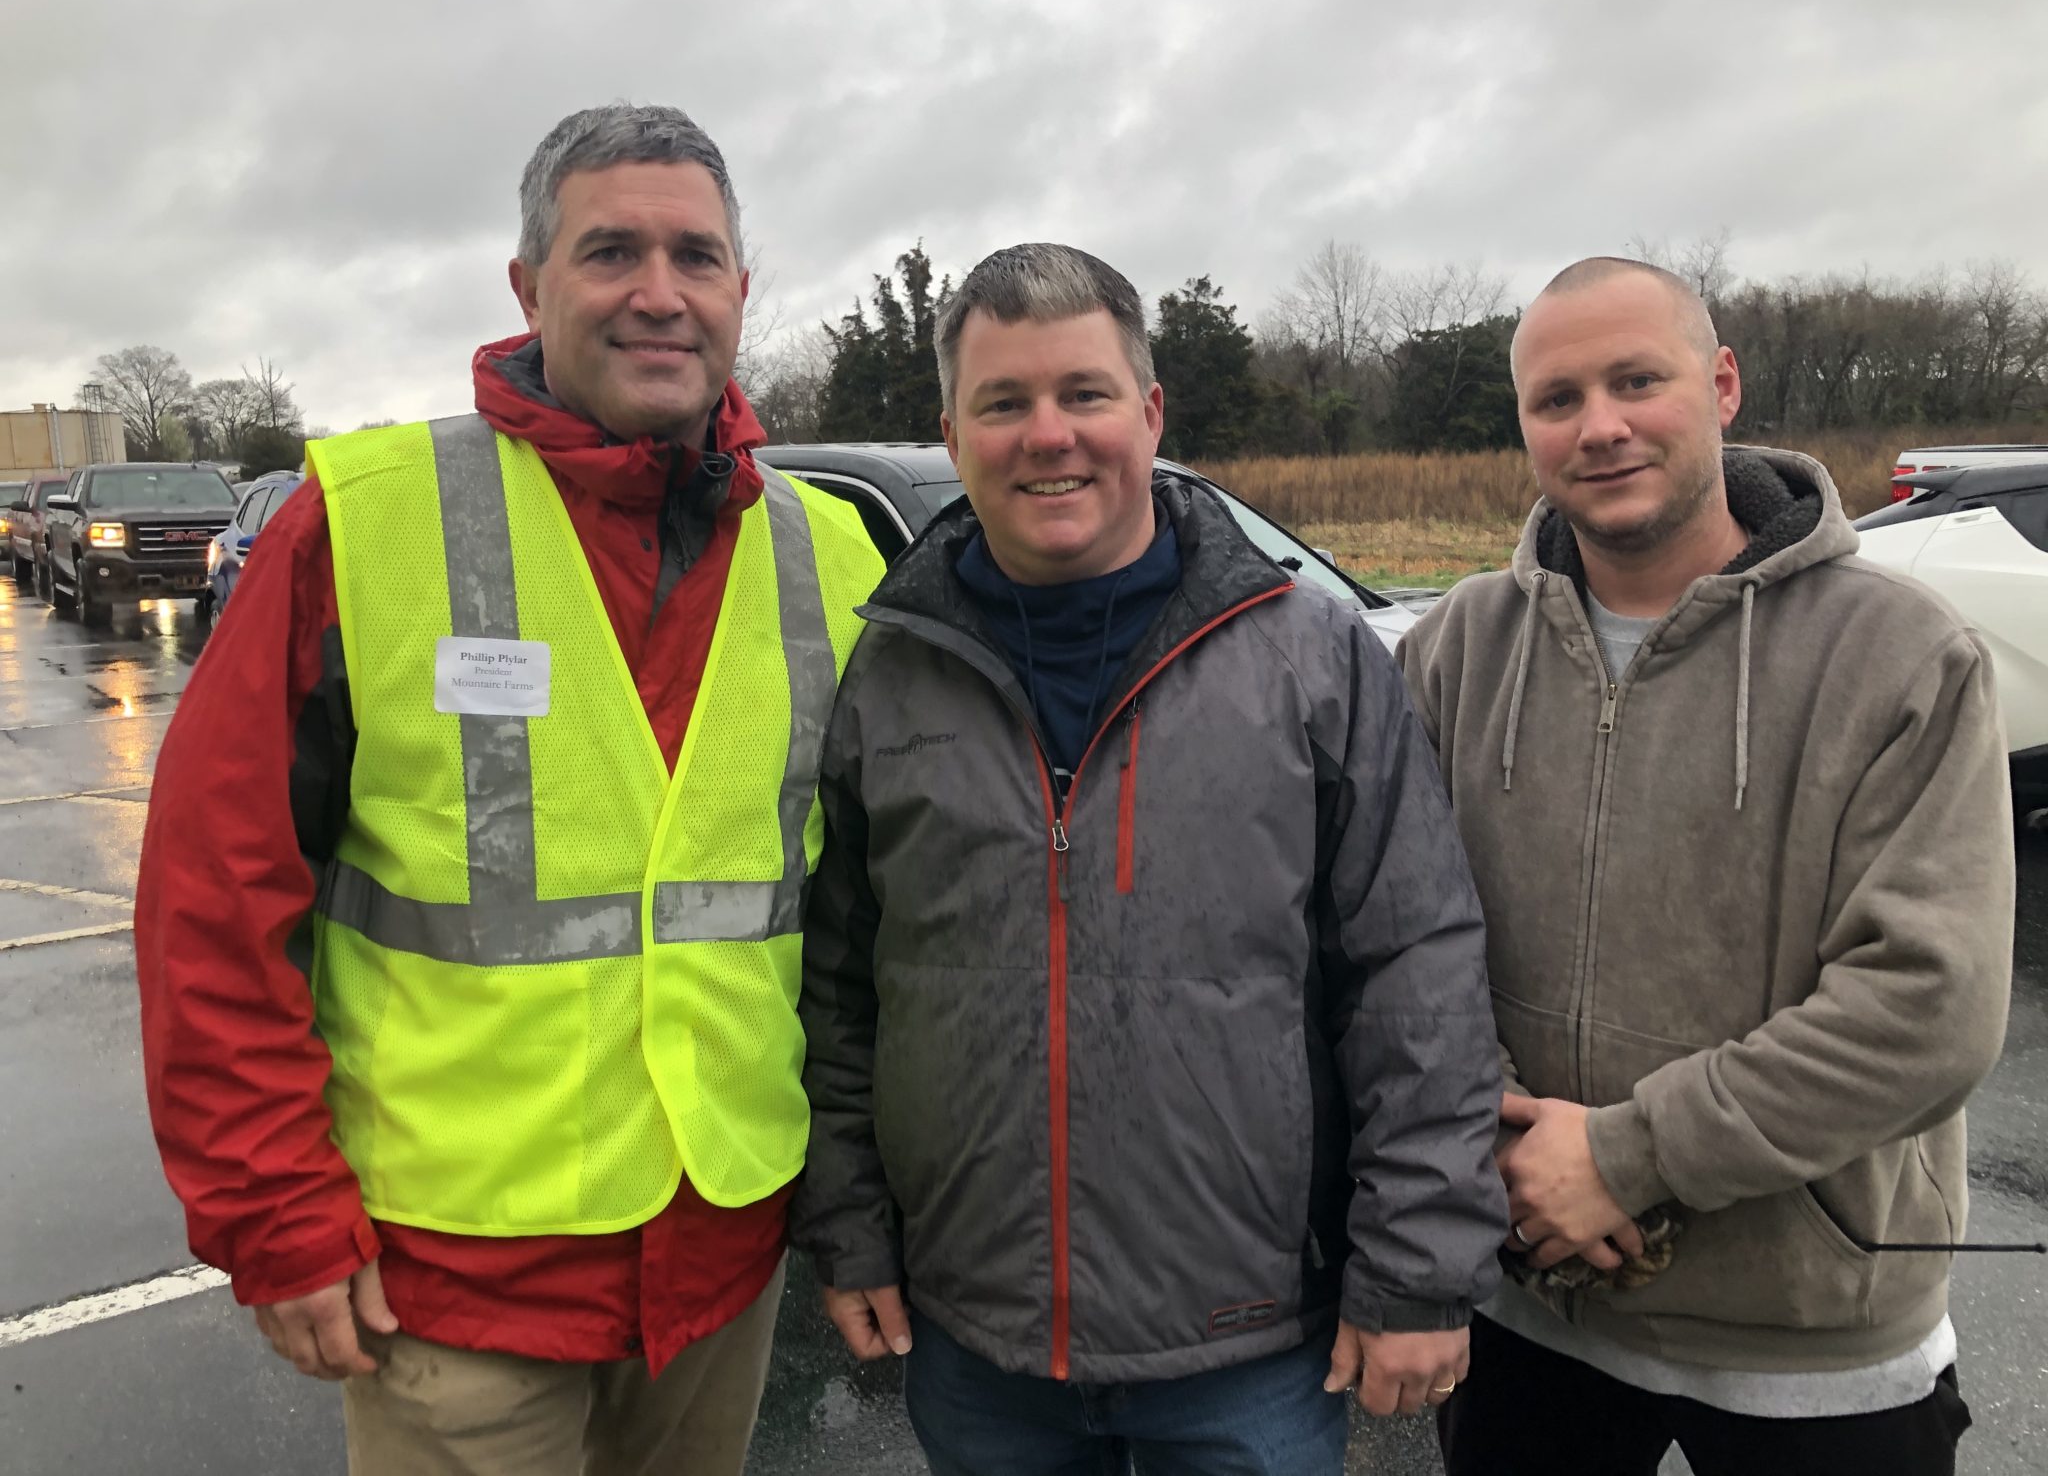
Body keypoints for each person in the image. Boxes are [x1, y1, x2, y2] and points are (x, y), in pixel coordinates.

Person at [134, 104, 883, 1476]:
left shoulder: (831, 556)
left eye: (695, 257)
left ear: (740, 288)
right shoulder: (364, 522)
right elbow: (214, 896)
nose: (658, 292)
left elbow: (866, 926)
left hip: (721, 1261)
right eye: (610, 252)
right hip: (453, 1287)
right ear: (530, 288)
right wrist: (274, 1211)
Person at [790, 242, 1507, 1475]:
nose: (1047, 435)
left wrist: (1417, 1266)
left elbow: (1415, 974)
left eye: (1084, 393)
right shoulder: (892, 669)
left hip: (1249, 1347)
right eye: (1002, 403)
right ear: (951, 431)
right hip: (978, 1344)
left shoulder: (1312, 658)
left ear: (1150, 412)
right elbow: (843, 989)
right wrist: (849, 1227)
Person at [1397, 256, 2014, 1475]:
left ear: (1720, 384)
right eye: (1556, 398)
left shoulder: (1898, 655)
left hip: (1813, 1341)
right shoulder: (1455, 648)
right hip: (1527, 1309)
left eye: (1636, 381)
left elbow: (1926, 1006)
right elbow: (1395, 940)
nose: (1599, 426)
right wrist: (1497, 1134)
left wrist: (1624, 1159)